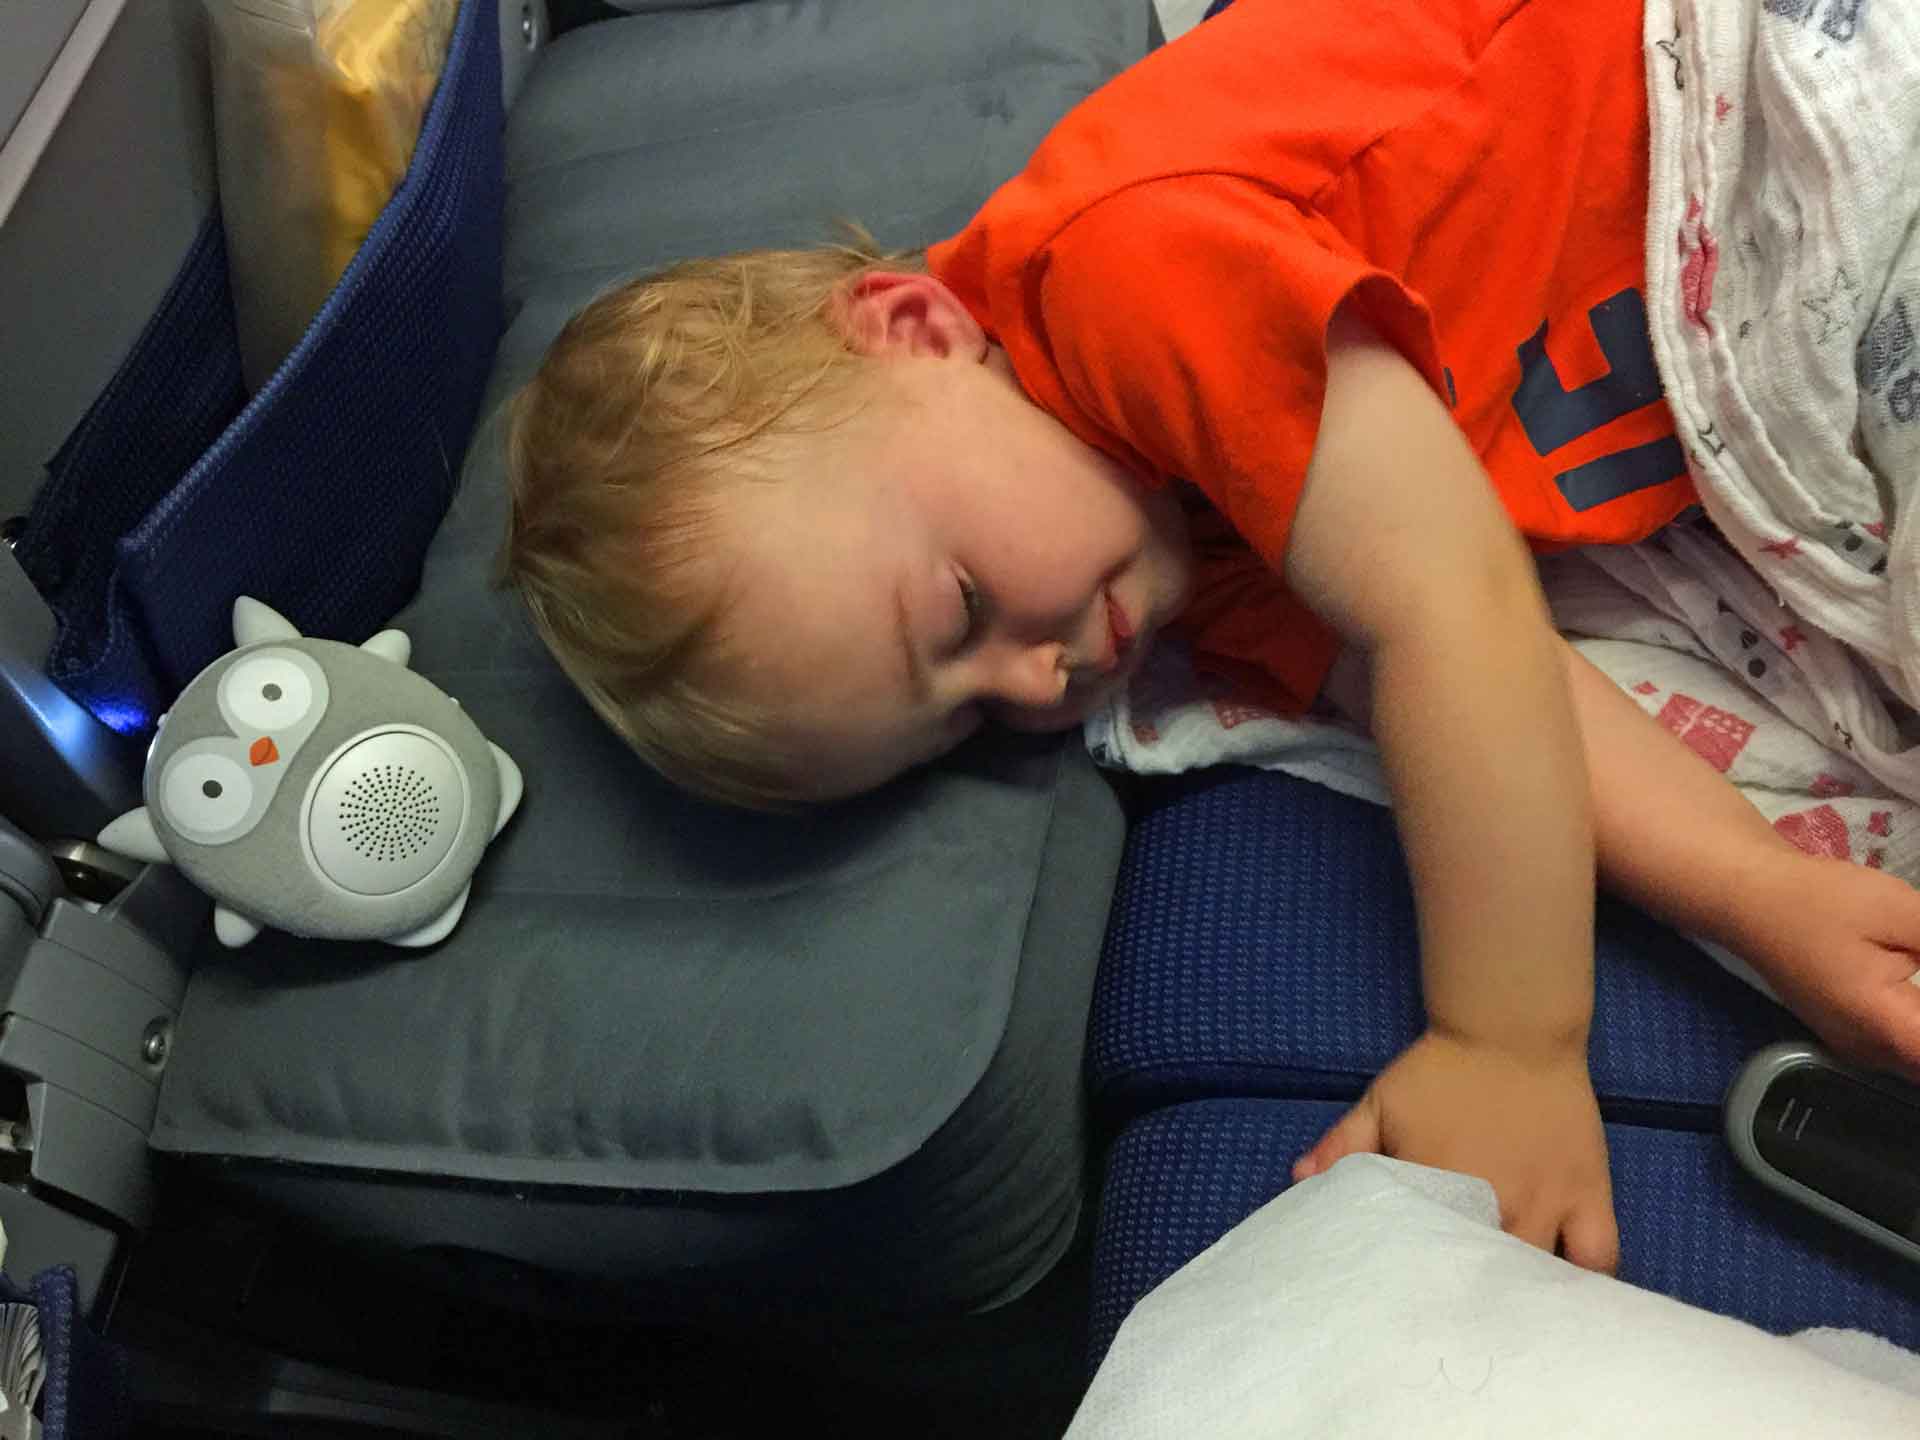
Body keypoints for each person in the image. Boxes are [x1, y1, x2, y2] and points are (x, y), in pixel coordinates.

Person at [500, 0, 1920, 1270]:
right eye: (968, 714)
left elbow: (1456, 612)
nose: (1038, 674)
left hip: (1727, 105)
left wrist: (1507, 1039)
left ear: (916, 326)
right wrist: (1760, 893)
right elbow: (1503, 692)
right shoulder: (1187, 564)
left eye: (964, 611)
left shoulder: (1125, 274)